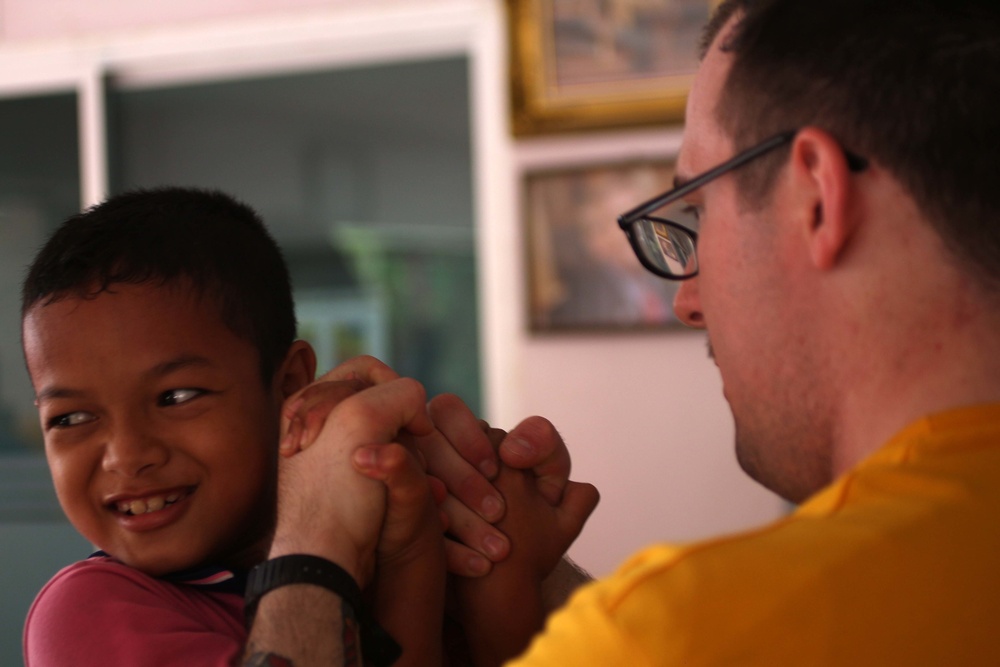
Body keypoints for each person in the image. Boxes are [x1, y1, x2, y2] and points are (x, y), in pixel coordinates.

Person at [281, 0, 1000, 663]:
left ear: (815, 196)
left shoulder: (680, 631)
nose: (688, 300)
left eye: (698, 212)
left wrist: (310, 544)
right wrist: (523, 583)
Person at [19, 187, 597, 666]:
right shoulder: (89, 610)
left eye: (176, 396)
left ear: (290, 385)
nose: (126, 454)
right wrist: (332, 538)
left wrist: (494, 551)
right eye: (70, 417)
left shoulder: (376, 536)